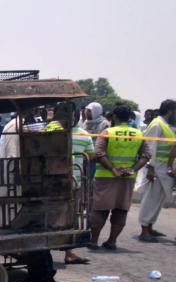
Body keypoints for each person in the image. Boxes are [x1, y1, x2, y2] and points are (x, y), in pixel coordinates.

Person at [89, 105, 151, 250]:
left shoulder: (108, 132)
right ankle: (112, 241)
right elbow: (146, 155)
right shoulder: (138, 134)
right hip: (127, 179)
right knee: (121, 209)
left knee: (99, 210)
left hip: (106, 177)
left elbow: (99, 153)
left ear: (114, 117)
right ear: (130, 118)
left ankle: (93, 241)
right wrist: (132, 169)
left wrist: (112, 168)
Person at [44, 103, 93, 264]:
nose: (68, 117)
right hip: (54, 181)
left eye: (71, 113)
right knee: (51, 215)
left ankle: (69, 252)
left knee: (70, 217)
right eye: (64, 113)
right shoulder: (51, 129)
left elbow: (91, 156)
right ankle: (42, 250)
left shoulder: (83, 134)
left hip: (74, 181)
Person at [136, 99, 175, 241]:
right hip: (156, 168)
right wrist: (150, 168)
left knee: (158, 199)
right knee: (151, 199)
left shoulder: (165, 125)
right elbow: (151, 147)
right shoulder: (157, 125)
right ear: (171, 111)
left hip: (163, 168)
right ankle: (144, 230)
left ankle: (150, 226)